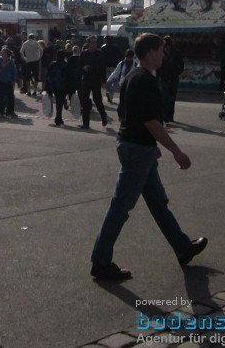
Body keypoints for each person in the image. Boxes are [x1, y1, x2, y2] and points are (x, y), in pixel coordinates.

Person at [89, 33, 207, 281]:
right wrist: (177, 151)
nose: (164, 55)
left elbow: (126, 115)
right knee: (120, 206)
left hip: (135, 145)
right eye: (162, 50)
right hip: (138, 149)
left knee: (157, 201)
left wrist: (151, 145)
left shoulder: (132, 76)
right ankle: (100, 261)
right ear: (152, 52)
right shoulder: (146, 81)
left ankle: (183, 247)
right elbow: (152, 122)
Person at [79, 36, 109, 129]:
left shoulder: (100, 53)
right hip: (86, 80)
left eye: (95, 42)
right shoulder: (84, 54)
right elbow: (79, 66)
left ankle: (103, 116)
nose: (94, 44)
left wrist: (103, 81)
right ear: (88, 43)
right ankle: (86, 123)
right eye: (92, 42)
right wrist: (83, 68)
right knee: (85, 102)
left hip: (96, 80)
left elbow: (103, 68)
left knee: (97, 100)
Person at [159, 36, 184, 123]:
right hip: (164, 78)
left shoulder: (176, 53)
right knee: (164, 97)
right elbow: (159, 66)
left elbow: (181, 66)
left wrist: (175, 73)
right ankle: (164, 116)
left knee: (171, 98)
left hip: (173, 78)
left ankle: (170, 116)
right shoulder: (162, 53)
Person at [0, 46, 18, 118]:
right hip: (0, 80)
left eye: (3, 52)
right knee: (1, 97)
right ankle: (0, 111)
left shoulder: (11, 61)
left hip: (8, 81)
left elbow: (13, 71)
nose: (1, 53)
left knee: (10, 97)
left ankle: (10, 111)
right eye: (1, 52)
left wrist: (13, 79)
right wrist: (0, 66)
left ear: (7, 53)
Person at [47, 50, 69, 126]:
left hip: (54, 85)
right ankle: (58, 117)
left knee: (58, 101)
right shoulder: (66, 65)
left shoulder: (52, 64)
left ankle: (58, 117)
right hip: (63, 86)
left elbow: (48, 75)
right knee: (60, 101)